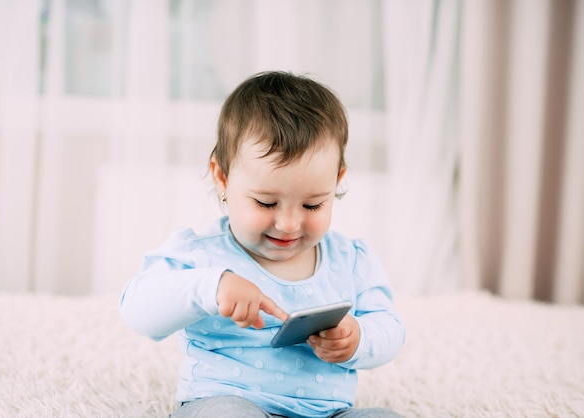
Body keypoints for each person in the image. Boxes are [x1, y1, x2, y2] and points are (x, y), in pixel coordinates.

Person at [119, 71, 406, 418]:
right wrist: (210, 287)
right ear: (222, 176)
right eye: (266, 203)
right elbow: (138, 310)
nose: (288, 224)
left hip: (327, 413)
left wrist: (359, 337)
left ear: (337, 181)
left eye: (313, 205)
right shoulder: (201, 253)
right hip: (228, 401)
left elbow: (390, 328)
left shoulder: (351, 259)